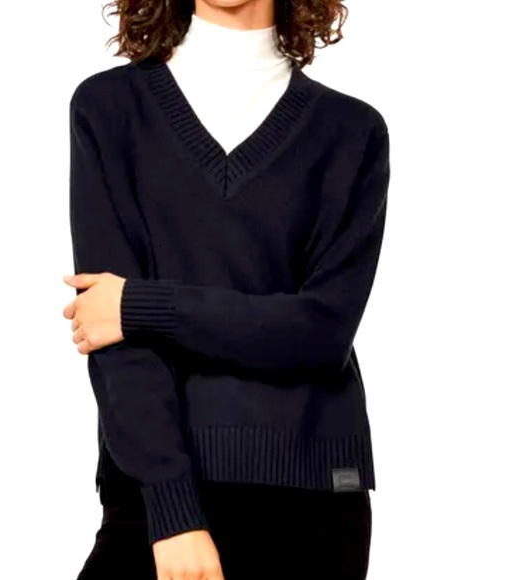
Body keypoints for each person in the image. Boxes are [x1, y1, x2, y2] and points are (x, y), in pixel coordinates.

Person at [62, 0, 390, 578]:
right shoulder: (109, 108)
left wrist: (140, 305)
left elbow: (321, 334)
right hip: (156, 498)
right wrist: (172, 512)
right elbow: (116, 346)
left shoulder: (352, 130)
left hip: (311, 503)